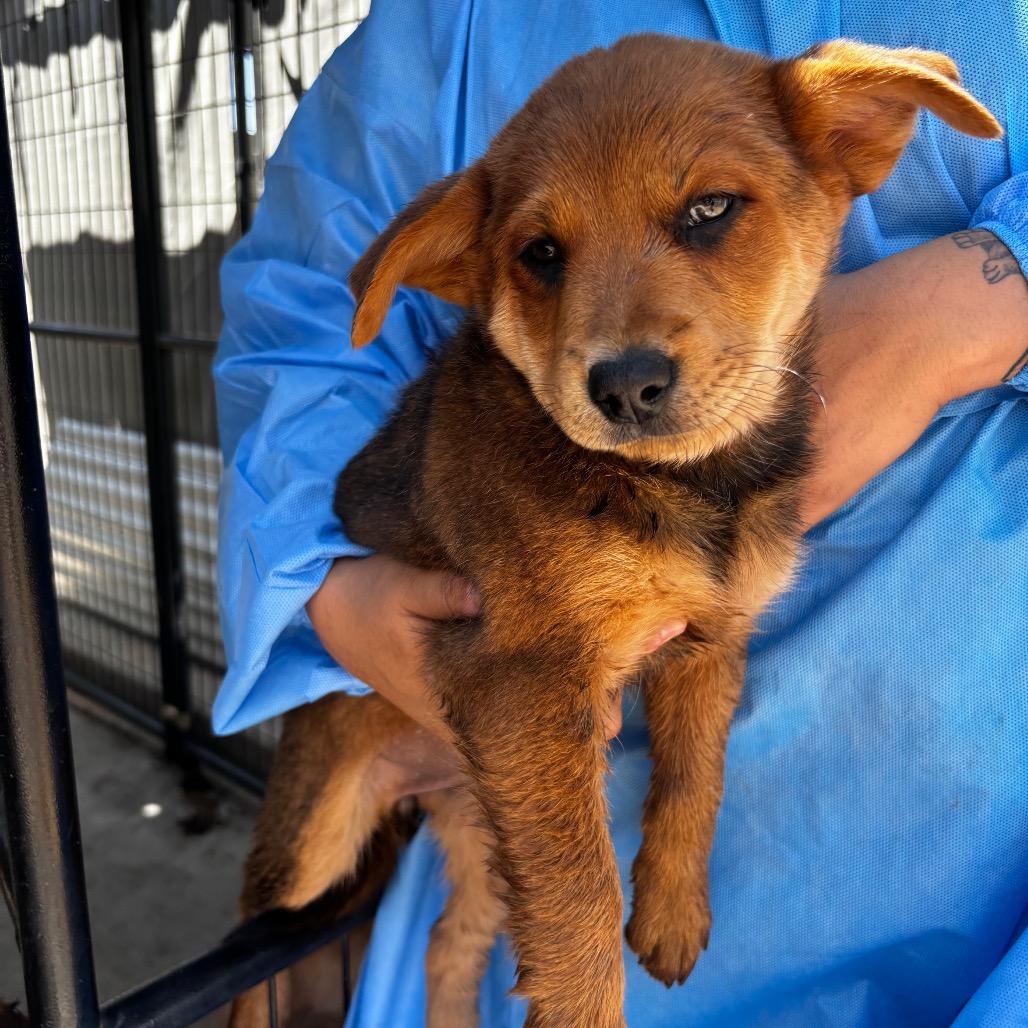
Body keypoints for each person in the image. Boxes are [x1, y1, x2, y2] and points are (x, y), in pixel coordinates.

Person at [212, 2, 1028, 1024]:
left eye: (706, 213)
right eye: (544, 258)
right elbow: (300, 319)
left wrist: (976, 293)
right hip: (493, 767)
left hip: (978, 778)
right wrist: (326, 592)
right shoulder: (442, 26)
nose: (623, 349)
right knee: (311, 892)